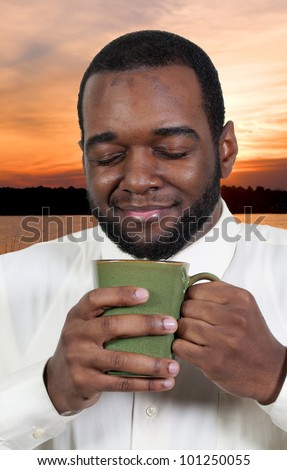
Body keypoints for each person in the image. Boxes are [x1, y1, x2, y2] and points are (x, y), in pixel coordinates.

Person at [0, 29, 287, 450]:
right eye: (108, 157)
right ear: (83, 158)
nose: (136, 181)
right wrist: (43, 393)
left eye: (171, 150)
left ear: (225, 150)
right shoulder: (7, 283)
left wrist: (277, 377)